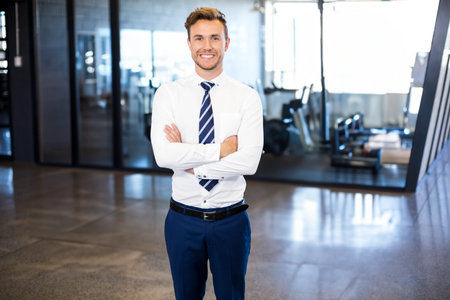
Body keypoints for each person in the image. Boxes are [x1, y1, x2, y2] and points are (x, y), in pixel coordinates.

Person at [150, 7, 263, 300]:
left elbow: (249, 161)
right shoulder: (168, 94)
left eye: (215, 38)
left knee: (231, 296)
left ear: (226, 43)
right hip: (182, 221)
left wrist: (191, 163)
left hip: (231, 222)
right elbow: (164, 155)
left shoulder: (247, 97)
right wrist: (222, 150)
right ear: (189, 44)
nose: (207, 46)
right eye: (199, 38)